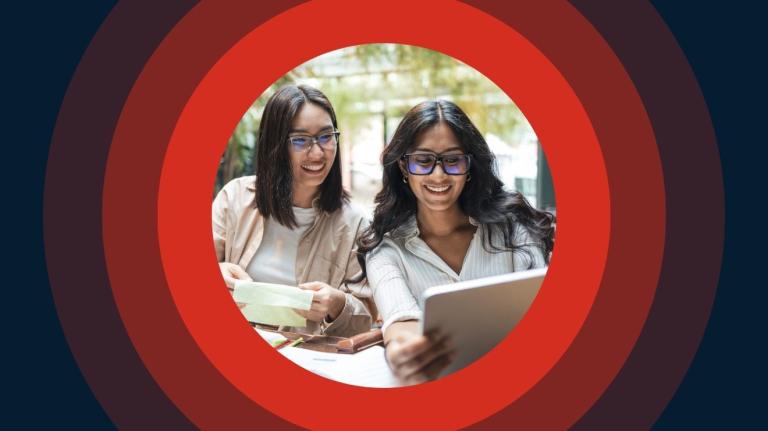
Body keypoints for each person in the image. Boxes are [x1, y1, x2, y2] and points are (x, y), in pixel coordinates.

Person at [355, 100, 555, 384]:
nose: (439, 174)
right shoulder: (385, 248)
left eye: (452, 160)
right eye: (423, 160)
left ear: (469, 165)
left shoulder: (512, 228)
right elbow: (400, 320)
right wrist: (404, 349)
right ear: (403, 167)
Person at [212, 84, 373, 337]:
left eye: (326, 136)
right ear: (274, 146)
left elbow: (367, 318)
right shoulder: (234, 198)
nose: (318, 152)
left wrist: (338, 304)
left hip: (307, 358)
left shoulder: (356, 224)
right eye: (300, 140)